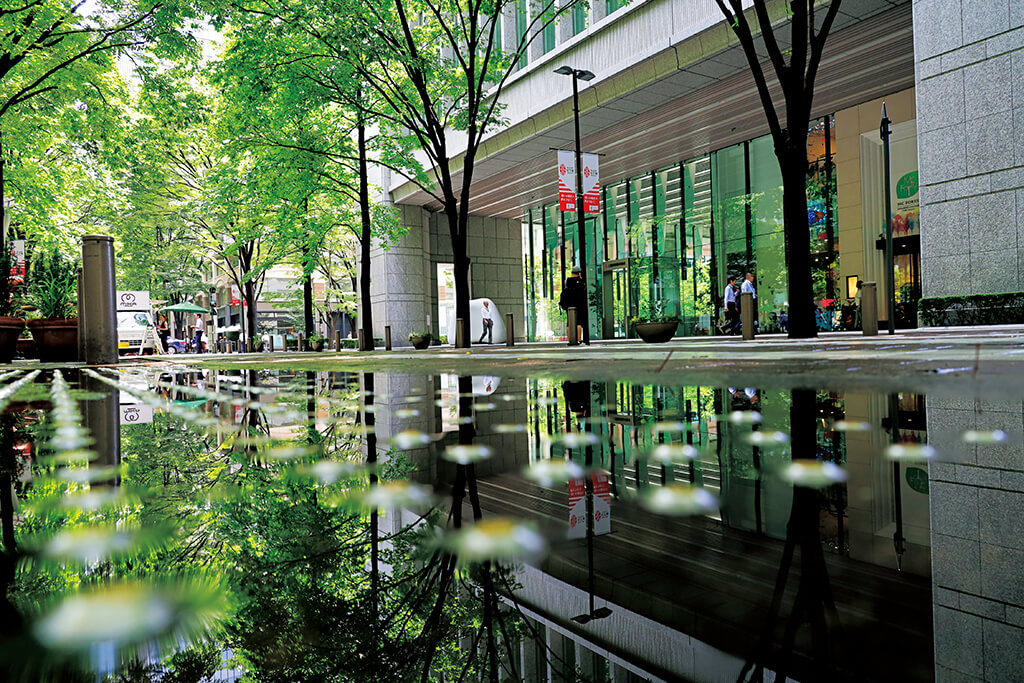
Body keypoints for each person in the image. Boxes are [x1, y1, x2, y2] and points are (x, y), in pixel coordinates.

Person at [558, 266, 587, 344]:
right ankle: (578, 339)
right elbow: (583, 291)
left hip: (568, 304)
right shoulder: (580, 281)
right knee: (579, 322)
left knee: (569, 322)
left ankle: (570, 339)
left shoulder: (567, 281)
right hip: (578, 304)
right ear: (579, 273)